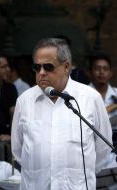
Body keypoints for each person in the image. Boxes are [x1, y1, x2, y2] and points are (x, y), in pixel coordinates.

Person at [11, 38, 114, 190]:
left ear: (66, 67)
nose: (42, 73)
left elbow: (103, 149)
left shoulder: (90, 98)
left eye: (48, 67)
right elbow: (18, 151)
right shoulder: (24, 101)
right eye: (37, 67)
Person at [88, 52, 117, 144]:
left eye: (105, 69)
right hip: (92, 145)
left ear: (110, 73)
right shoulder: (83, 95)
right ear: (89, 72)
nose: (101, 72)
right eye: (97, 68)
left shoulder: (116, 93)